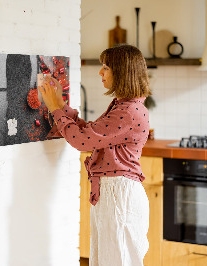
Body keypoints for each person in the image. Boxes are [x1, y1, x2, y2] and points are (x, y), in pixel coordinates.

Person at [39, 44, 151, 266]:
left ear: (122, 72)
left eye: (106, 67)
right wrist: (61, 105)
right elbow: (90, 133)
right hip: (114, 193)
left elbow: (82, 141)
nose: (100, 72)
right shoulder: (124, 106)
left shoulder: (128, 111)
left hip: (119, 195)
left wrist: (54, 109)